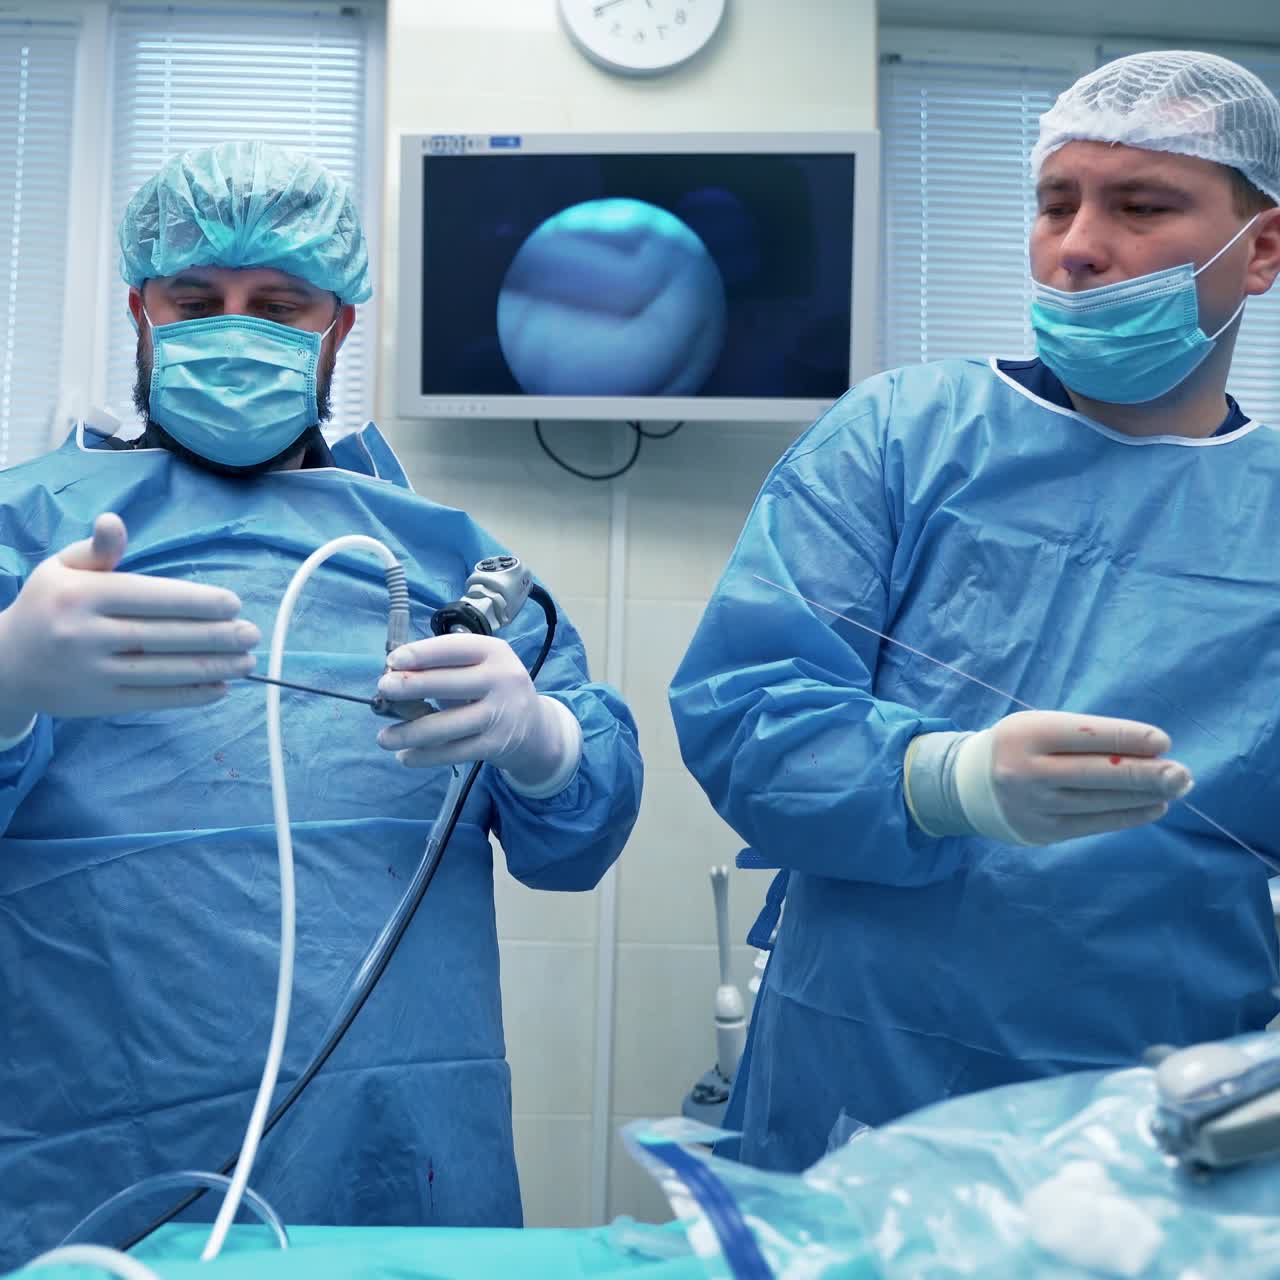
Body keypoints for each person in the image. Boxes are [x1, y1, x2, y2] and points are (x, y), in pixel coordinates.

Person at [0, 141, 643, 1267]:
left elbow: (576, 838)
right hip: (79, 1157)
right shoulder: (27, 530)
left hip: (394, 1154)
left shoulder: (448, 560)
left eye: (278, 303)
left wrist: (542, 741)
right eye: (194, 298)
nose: (232, 325)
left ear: (338, 324)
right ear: (139, 311)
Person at [669, 50, 1280, 1175]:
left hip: (1166, 1110)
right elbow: (742, 713)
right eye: (1055, 203)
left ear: (1262, 251)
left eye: (1140, 205)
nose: (1078, 244)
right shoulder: (903, 436)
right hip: (861, 1080)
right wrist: (945, 778)